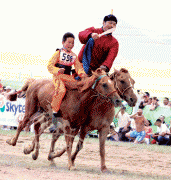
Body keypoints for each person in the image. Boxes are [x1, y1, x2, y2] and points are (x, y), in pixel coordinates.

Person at [47, 32, 87, 132]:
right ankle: (55, 117)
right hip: (58, 77)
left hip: (68, 77)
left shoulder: (74, 56)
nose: (70, 45)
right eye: (69, 42)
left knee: (79, 88)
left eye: (72, 43)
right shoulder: (58, 53)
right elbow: (49, 65)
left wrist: (82, 74)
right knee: (61, 91)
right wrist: (57, 70)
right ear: (63, 42)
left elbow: (78, 67)